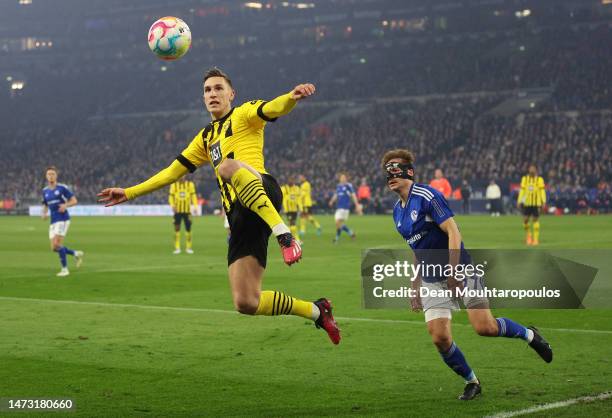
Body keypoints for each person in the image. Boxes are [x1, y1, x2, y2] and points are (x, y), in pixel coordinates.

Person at [98, 67, 340, 344]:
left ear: (231, 94)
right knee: (246, 301)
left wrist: (292, 97)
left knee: (226, 166)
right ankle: (317, 311)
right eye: (207, 90)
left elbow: (272, 108)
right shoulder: (204, 138)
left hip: (263, 190)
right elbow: (171, 172)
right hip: (240, 218)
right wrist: (129, 192)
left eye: (218, 88)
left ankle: (285, 235)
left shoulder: (244, 114)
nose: (212, 94)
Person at [381, 149, 552, 400]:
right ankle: (472, 381)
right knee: (439, 337)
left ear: (409, 171)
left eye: (395, 170)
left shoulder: (428, 196)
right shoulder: (397, 211)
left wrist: (453, 271)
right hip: (430, 277)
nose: (390, 177)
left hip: (461, 268)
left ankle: (530, 335)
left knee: (485, 327)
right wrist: (414, 285)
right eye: (387, 173)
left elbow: (453, 231)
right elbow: (416, 250)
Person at [41, 166, 83, 277]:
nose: (51, 176)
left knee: (57, 244)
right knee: (54, 248)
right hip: (53, 220)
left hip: (63, 219)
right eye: (49, 174)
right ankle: (75, 253)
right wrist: (44, 213)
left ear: (56, 175)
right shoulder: (44, 191)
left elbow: (74, 201)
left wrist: (66, 205)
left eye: (53, 174)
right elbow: (45, 204)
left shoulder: (62, 188)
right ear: (46, 176)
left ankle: (65, 269)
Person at [328, 173, 362, 243]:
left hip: (345, 207)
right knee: (338, 223)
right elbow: (336, 195)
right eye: (341, 177)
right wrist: (331, 201)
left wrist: (357, 205)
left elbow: (353, 195)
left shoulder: (348, 186)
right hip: (339, 207)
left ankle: (336, 238)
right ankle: (351, 233)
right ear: (340, 178)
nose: (342, 179)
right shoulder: (338, 186)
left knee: (338, 222)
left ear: (346, 178)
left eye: (344, 177)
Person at [517, 165, 546, 245]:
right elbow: (522, 191)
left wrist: (543, 201)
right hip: (527, 203)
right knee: (525, 220)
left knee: (535, 220)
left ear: (536, 170)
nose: (532, 170)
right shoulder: (525, 179)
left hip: (536, 203)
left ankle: (536, 239)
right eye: (530, 169)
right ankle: (529, 236)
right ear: (528, 170)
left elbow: (542, 191)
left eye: (533, 169)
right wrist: (519, 201)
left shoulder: (540, 179)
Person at [169, 177, 198, 254]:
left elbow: (193, 196)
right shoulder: (174, 185)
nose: (181, 177)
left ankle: (188, 248)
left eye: (183, 175)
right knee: (177, 229)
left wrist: (195, 206)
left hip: (187, 211)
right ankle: (177, 248)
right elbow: (171, 196)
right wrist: (172, 206)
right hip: (177, 211)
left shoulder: (190, 185)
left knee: (188, 229)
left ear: (185, 176)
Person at [281, 176, 302, 242]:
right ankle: (297, 239)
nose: (291, 181)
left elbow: (299, 199)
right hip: (288, 210)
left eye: (292, 180)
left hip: (294, 209)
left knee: (292, 224)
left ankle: (290, 238)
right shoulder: (284, 188)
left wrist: (300, 207)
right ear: (288, 181)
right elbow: (282, 198)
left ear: (294, 181)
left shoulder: (297, 188)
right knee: (292, 223)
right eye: (290, 180)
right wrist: (282, 207)